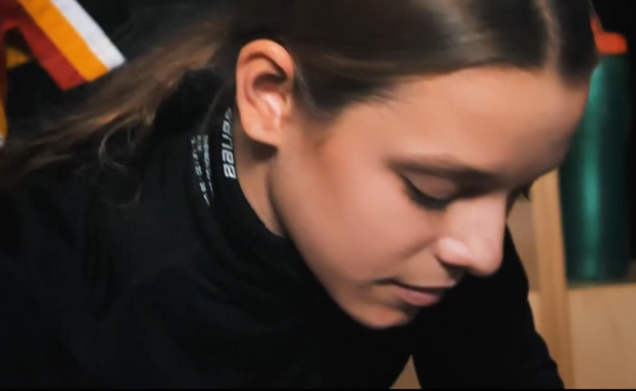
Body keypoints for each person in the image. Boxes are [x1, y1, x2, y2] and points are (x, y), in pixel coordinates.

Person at [0, 0, 598, 388]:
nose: (486, 253)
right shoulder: (60, 276)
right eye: (429, 190)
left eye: (514, 192)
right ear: (269, 96)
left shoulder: (451, 239)